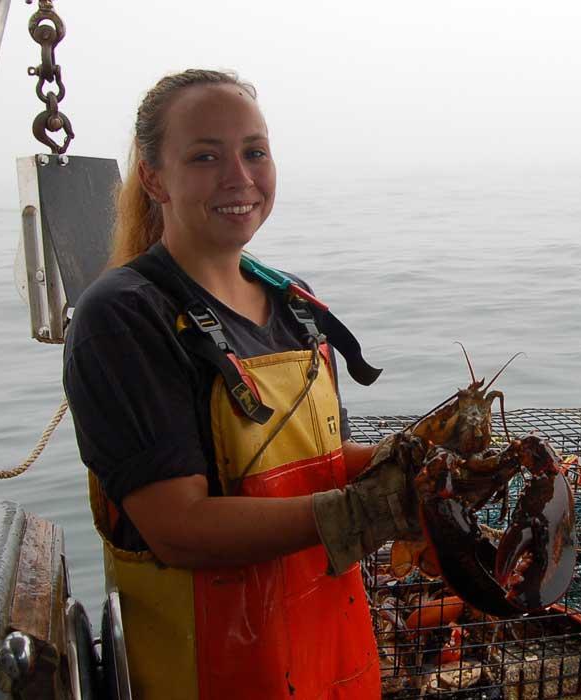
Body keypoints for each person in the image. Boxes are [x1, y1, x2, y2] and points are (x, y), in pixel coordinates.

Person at [63, 69, 419, 699]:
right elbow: (179, 528)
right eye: (205, 156)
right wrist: (361, 511)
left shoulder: (296, 304)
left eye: (255, 151)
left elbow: (311, 470)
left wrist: (407, 462)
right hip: (213, 673)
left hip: (329, 658)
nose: (240, 176)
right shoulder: (124, 315)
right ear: (153, 177)